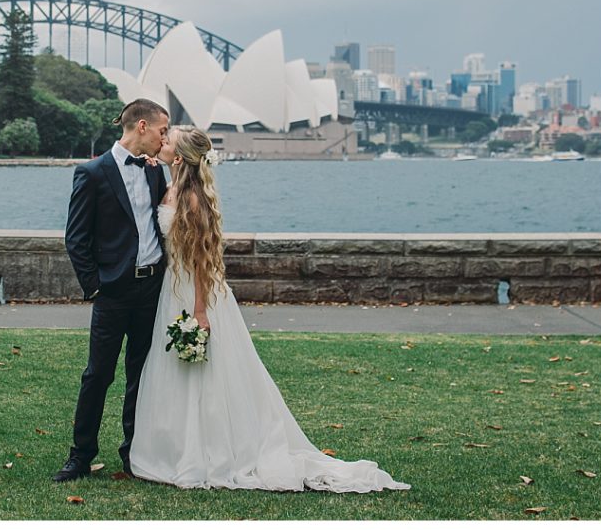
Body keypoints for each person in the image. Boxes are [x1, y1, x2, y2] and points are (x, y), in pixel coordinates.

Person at [129, 126, 410, 493]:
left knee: (206, 374)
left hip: (193, 293)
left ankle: (207, 452)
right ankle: (176, 447)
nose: (159, 143)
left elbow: (200, 260)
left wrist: (200, 312)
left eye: (166, 142)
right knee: (177, 372)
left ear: (179, 157)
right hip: (172, 290)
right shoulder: (170, 185)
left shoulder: (193, 199)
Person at [54, 98, 170, 482]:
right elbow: (76, 239)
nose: (163, 138)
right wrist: (95, 289)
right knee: (98, 374)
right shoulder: (92, 172)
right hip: (113, 293)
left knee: (143, 373)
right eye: (161, 131)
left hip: (151, 288)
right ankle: (81, 455)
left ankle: (134, 454)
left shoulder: (156, 172)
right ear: (141, 126)